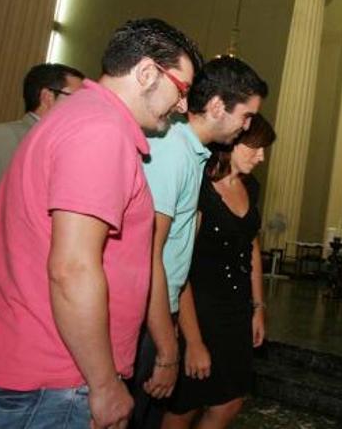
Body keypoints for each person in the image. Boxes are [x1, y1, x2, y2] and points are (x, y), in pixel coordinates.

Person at [0, 18, 202, 429]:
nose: (182, 107)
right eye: (180, 91)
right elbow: (72, 268)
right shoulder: (100, 130)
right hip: (55, 383)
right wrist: (104, 383)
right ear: (147, 73)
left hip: (47, 379)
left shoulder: (83, 118)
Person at [131, 56, 268, 428]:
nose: (247, 128)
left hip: (166, 315)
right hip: (150, 322)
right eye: (247, 116)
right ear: (217, 107)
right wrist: (169, 349)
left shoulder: (195, 156)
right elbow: (152, 256)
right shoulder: (174, 152)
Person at [162, 115, 276, 429]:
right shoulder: (200, 186)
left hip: (236, 308)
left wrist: (258, 307)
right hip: (198, 308)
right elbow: (179, 266)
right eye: (256, 147)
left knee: (231, 400)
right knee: (187, 403)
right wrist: (194, 342)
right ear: (231, 142)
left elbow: (251, 245)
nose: (262, 156)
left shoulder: (251, 187)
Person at [0, 63, 84, 348]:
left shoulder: (63, 145)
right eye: (75, 99)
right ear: (47, 97)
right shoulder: (2, 138)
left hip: (27, 304)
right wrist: (37, 254)